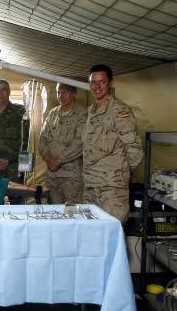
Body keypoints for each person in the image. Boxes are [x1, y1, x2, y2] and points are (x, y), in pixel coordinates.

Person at [82, 65, 143, 222]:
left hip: (111, 189)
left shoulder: (120, 112)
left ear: (111, 83)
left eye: (102, 82)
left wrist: (121, 174)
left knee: (111, 235)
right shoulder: (91, 111)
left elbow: (135, 150)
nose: (97, 87)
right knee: (92, 234)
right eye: (93, 82)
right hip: (90, 186)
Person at [38, 82, 86, 204]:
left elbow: (80, 143)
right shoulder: (53, 113)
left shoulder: (82, 114)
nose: (60, 96)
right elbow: (42, 139)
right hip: (52, 176)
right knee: (54, 212)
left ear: (74, 94)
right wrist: (48, 158)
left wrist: (58, 161)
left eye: (64, 93)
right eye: (58, 93)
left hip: (72, 177)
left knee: (72, 213)